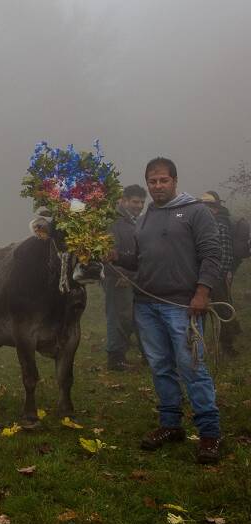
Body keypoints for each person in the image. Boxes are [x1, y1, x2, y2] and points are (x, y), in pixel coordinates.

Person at [113, 158, 223, 464]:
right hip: (147, 304)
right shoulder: (146, 217)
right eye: (152, 181)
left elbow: (212, 254)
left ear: (174, 180)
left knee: (192, 367)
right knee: (160, 366)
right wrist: (115, 256)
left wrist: (203, 291)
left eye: (163, 180)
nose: (157, 186)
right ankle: (170, 424)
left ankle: (210, 434)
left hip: (181, 305)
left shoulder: (195, 211)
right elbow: (138, 259)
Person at [103, 185, 146, 370]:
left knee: (139, 316)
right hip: (118, 278)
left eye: (143, 202)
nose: (139, 206)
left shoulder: (136, 221)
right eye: (136, 202)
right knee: (119, 317)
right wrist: (123, 275)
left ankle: (149, 355)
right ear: (124, 200)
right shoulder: (113, 221)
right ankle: (116, 359)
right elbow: (108, 254)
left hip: (135, 277)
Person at [201, 190, 242, 355]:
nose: (206, 209)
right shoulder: (201, 225)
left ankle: (227, 346)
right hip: (202, 276)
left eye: (209, 206)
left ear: (215, 208)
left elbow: (225, 252)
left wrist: (221, 274)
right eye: (203, 206)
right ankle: (199, 345)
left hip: (217, 277)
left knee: (223, 311)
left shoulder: (221, 224)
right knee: (200, 311)